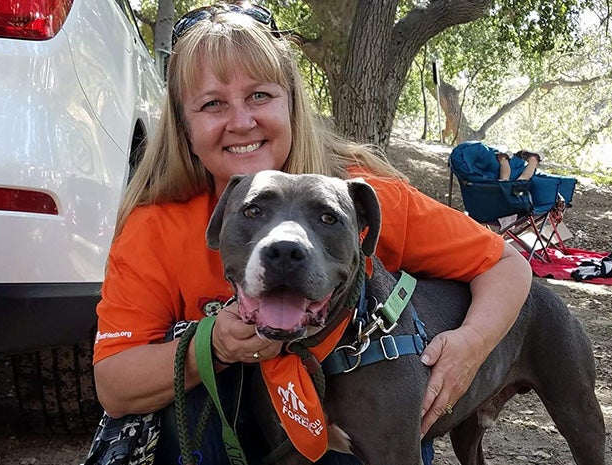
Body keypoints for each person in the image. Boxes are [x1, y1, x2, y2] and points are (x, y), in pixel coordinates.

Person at [89, 3, 532, 464]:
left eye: (260, 95)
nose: (241, 122)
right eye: (212, 103)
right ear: (184, 126)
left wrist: (470, 346)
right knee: (189, 377)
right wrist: (214, 345)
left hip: (353, 412)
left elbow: (505, 264)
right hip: (229, 427)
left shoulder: (358, 197)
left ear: (292, 104)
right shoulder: (156, 225)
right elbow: (115, 387)